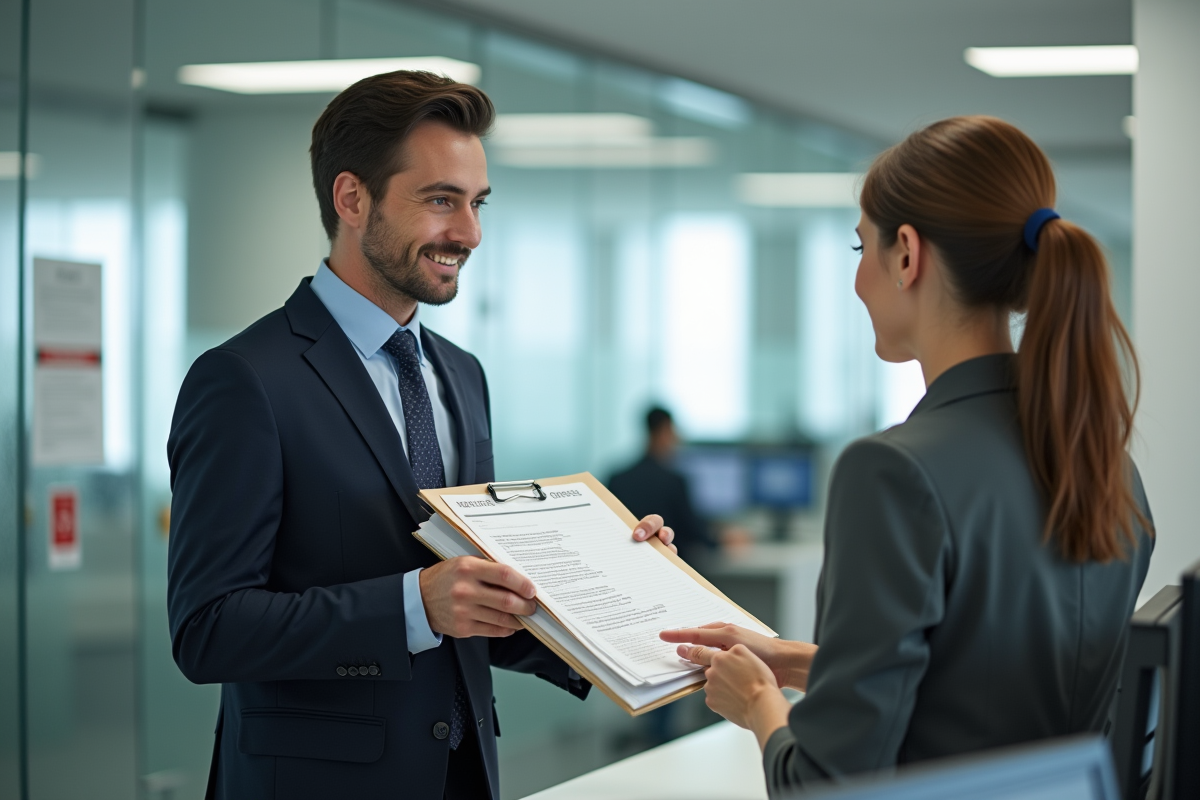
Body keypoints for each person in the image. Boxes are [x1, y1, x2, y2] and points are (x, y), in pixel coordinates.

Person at [166, 71, 674, 800]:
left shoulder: (460, 375)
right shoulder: (246, 379)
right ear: (352, 199)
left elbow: (470, 595)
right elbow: (208, 627)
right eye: (441, 201)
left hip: (463, 777)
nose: (468, 233)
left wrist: (623, 602)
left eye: (476, 204)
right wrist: (413, 606)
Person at [662, 115, 1154, 794]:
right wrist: (798, 661)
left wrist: (757, 704)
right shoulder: (1105, 467)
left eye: (859, 247)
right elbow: (990, 686)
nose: (858, 279)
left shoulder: (893, 472)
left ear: (906, 256)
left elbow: (824, 785)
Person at [609, 406, 713, 565]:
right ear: (665, 431)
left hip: (626, 565)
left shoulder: (617, 478)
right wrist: (723, 540)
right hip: (670, 566)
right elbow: (694, 532)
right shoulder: (674, 481)